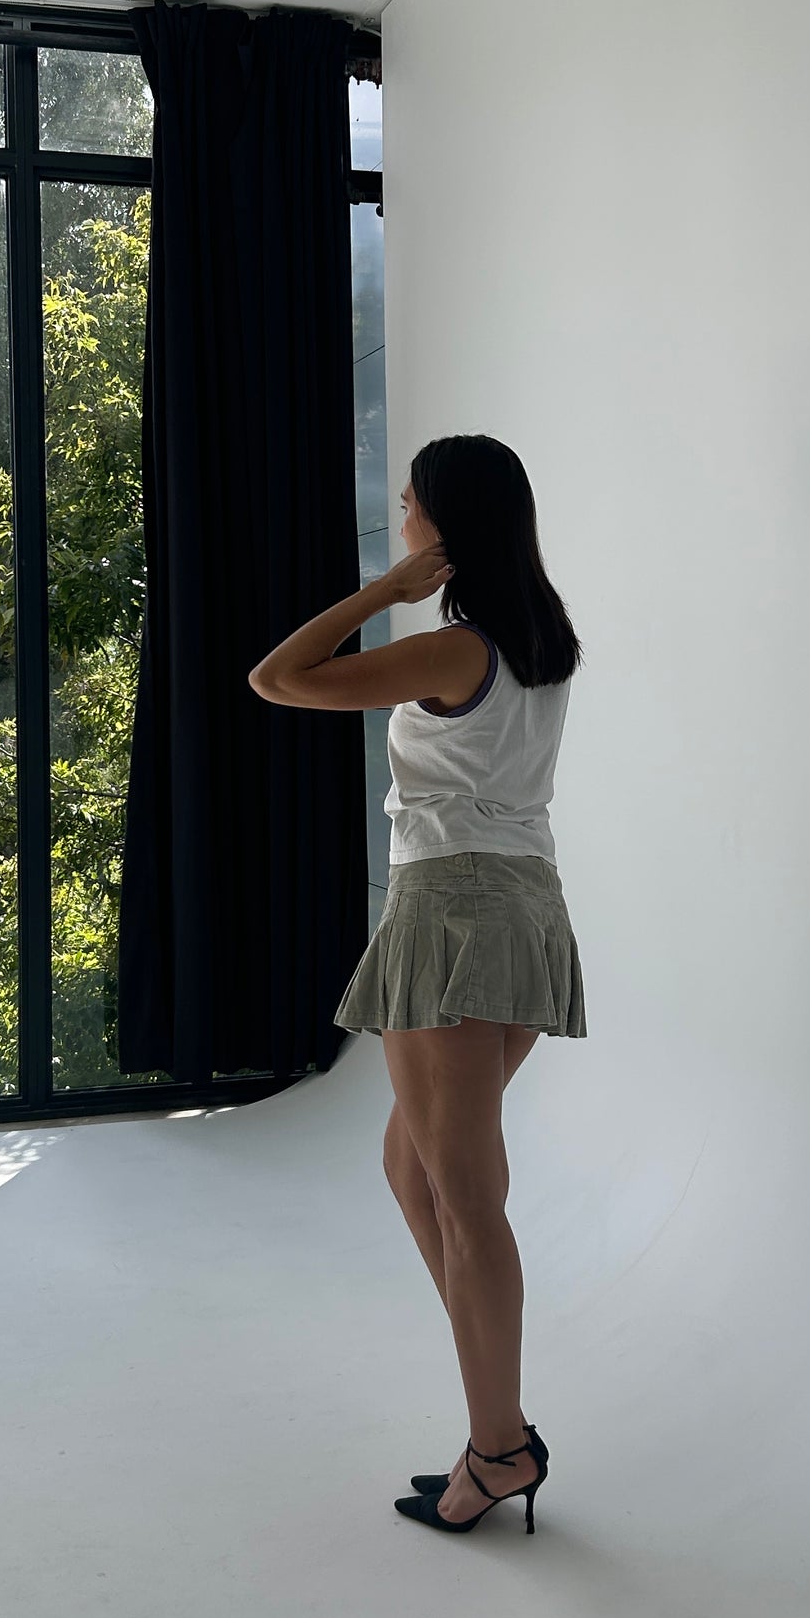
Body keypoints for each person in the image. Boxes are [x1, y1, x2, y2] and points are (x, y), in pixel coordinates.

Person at [248, 432, 585, 1536]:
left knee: (467, 1198)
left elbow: (276, 678)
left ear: (445, 525)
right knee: (412, 1165)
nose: (400, 521)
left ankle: (498, 1449)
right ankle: (495, 1405)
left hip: (452, 912)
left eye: (409, 507)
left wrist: (384, 593)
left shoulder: (454, 651)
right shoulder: (540, 641)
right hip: (524, 907)